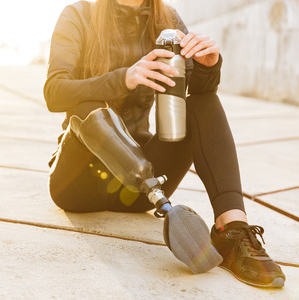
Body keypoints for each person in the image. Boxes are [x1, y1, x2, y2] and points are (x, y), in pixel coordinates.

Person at [43, 0, 285, 288]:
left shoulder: (166, 19)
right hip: (78, 184)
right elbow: (54, 92)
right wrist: (124, 78)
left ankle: (231, 231)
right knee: (91, 108)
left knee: (204, 104)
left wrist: (208, 66)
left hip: (141, 186)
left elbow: (195, 93)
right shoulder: (78, 15)